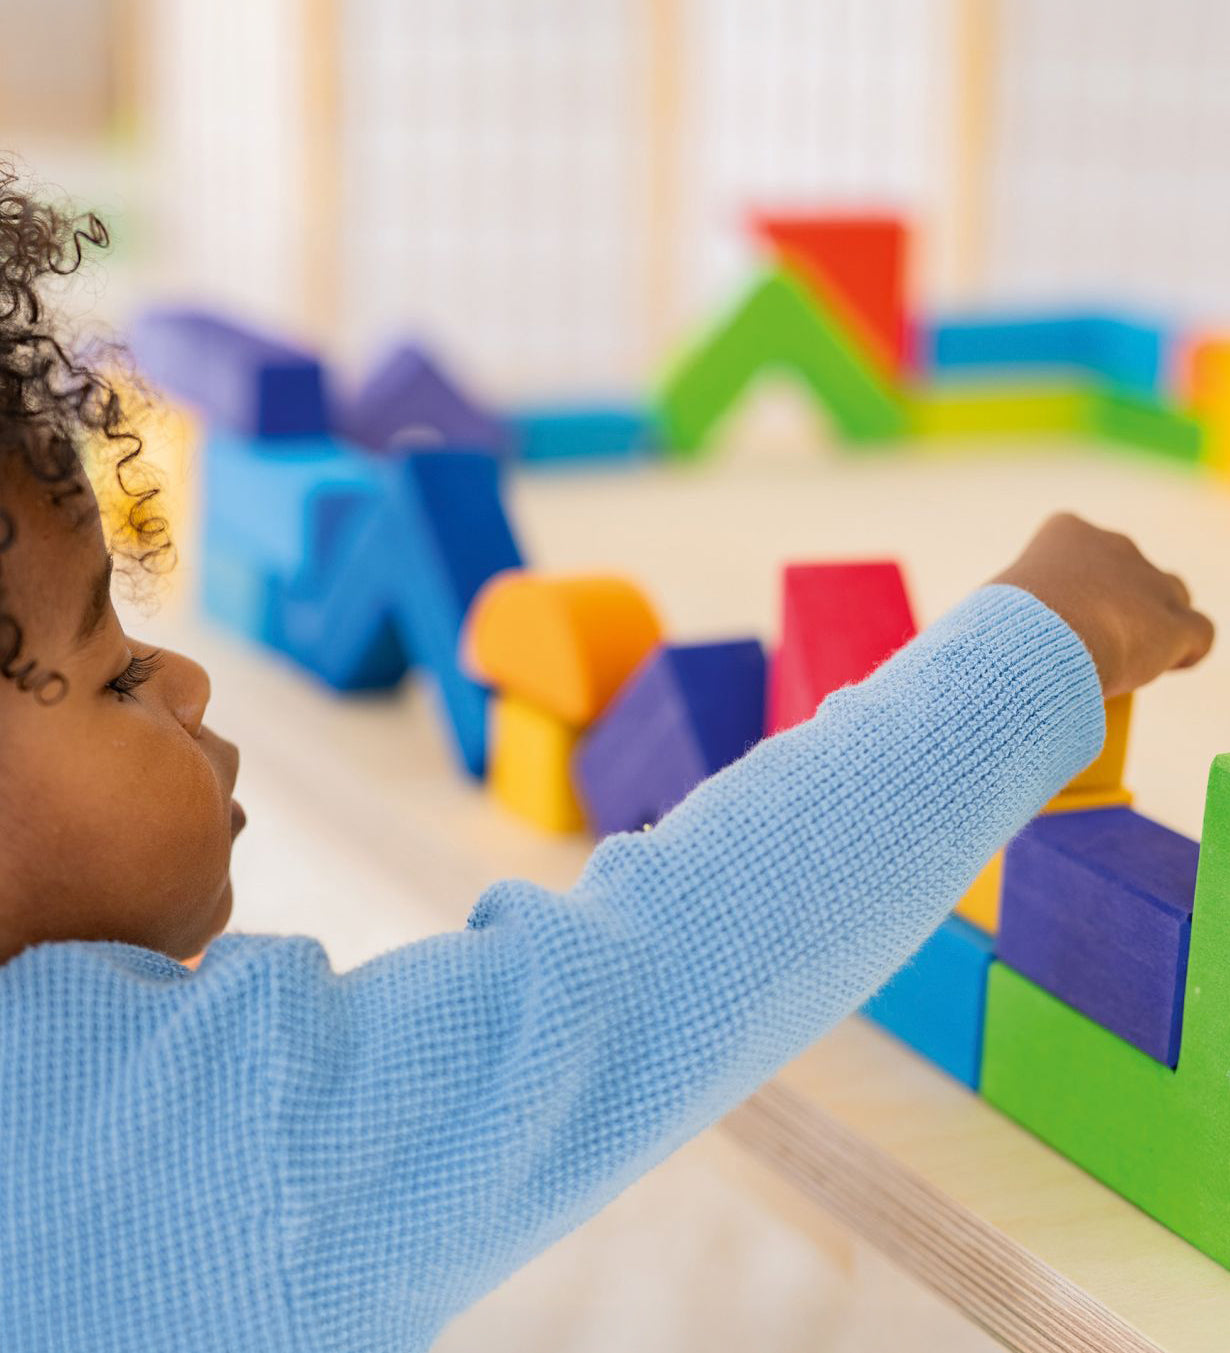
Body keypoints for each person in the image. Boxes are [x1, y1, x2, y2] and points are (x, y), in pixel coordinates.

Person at [0, 167, 1214, 1352]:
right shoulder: (221, 1149)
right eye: (113, 673)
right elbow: (649, 974)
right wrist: (1040, 650)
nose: (188, 679)